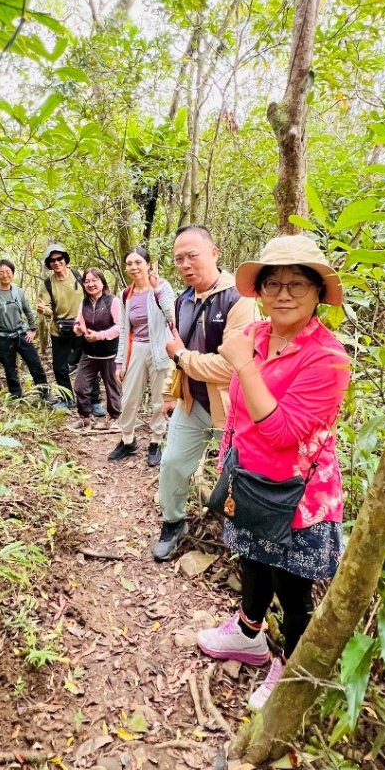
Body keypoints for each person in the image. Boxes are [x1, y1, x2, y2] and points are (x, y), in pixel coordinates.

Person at [196, 234, 351, 710]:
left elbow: (284, 431)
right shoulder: (257, 338)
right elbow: (240, 416)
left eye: (298, 284)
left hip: (296, 497)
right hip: (248, 481)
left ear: (319, 293)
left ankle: (291, 667)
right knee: (253, 563)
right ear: (259, 291)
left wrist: (242, 365)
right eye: (273, 283)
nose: (284, 293)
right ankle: (248, 634)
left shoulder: (328, 358)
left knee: (292, 587)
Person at [152, 225, 255, 562]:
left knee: (239, 475)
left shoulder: (240, 300)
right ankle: (173, 522)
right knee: (172, 463)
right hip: (191, 400)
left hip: (233, 407)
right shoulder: (183, 300)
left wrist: (182, 357)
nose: (185, 264)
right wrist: (171, 390)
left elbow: (231, 367)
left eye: (192, 255)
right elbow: (176, 354)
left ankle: (244, 537)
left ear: (214, 252)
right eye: (179, 258)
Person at [108, 247, 175, 468]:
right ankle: (127, 439)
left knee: (159, 399)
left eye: (138, 262)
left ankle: (156, 441)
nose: (134, 267)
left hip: (161, 348)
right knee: (128, 398)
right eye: (129, 263)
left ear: (148, 264)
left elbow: (171, 318)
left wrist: (157, 290)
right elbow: (125, 329)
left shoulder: (163, 287)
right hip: (136, 347)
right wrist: (120, 361)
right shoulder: (126, 294)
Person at [0, 259, 60, 406]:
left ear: (13, 273)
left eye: (8, 272)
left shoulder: (19, 292)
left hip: (21, 334)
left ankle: (45, 393)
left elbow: (29, 312)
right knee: (9, 368)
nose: (5, 275)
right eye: (1, 273)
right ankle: (16, 396)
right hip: (2, 336)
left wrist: (32, 330)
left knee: (34, 363)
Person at [37, 245, 104, 414]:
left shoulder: (79, 276)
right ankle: (67, 399)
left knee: (90, 363)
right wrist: (42, 309)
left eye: (60, 259)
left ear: (65, 260)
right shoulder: (47, 284)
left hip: (82, 327)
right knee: (60, 367)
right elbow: (46, 307)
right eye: (52, 260)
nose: (57, 262)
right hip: (59, 330)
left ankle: (94, 401)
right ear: (49, 264)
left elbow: (93, 294)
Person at [68, 268, 122, 431]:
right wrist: (77, 329)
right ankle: (85, 418)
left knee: (112, 387)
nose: (90, 284)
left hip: (109, 353)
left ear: (102, 282)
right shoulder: (84, 303)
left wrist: (99, 335)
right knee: (80, 386)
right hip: (89, 353)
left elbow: (120, 327)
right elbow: (78, 323)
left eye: (94, 280)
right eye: (87, 281)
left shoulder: (112, 301)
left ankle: (115, 419)